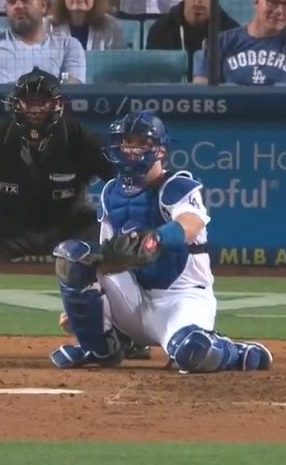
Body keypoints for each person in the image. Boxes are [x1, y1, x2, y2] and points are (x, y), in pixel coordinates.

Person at [49, 110, 273, 374]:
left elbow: (190, 224)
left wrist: (156, 238)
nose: (133, 150)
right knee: (73, 256)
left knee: (193, 352)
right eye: (128, 142)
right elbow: (106, 260)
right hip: (134, 297)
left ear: (160, 151)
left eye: (143, 143)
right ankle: (100, 346)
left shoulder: (177, 185)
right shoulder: (111, 192)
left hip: (180, 297)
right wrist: (84, 311)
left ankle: (237, 351)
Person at [0, 68, 117, 357]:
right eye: (29, 101)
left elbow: (122, 190)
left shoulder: (84, 142)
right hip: (6, 222)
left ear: (58, 104)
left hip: (70, 224)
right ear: (16, 104)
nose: (36, 108)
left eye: (43, 101)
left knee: (118, 241)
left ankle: (119, 331)